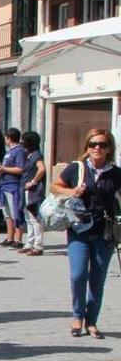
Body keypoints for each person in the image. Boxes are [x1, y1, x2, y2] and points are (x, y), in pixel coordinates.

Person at [50, 128, 121, 339]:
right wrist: (72, 191)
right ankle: (77, 316)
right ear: (87, 148)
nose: (97, 148)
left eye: (102, 144)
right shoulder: (77, 168)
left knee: (97, 280)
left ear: (109, 149)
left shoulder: (116, 173)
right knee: (78, 275)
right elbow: (55, 187)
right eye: (93, 144)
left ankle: (92, 322)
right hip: (78, 230)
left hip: (104, 234)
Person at [0, 128, 25, 248]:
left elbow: (20, 169)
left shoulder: (19, 151)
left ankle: (19, 239)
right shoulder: (9, 152)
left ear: (9, 138)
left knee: (15, 213)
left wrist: (5, 169)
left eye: (6, 138)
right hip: (4, 185)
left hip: (13, 186)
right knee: (7, 214)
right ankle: (10, 237)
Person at [20, 131, 46, 256]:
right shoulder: (28, 155)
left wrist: (33, 182)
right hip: (25, 190)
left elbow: (42, 169)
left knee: (35, 218)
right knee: (28, 218)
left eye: (24, 141)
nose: (22, 143)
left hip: (33, 192)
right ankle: (29, 243)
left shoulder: (36, 155)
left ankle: (38, 246)